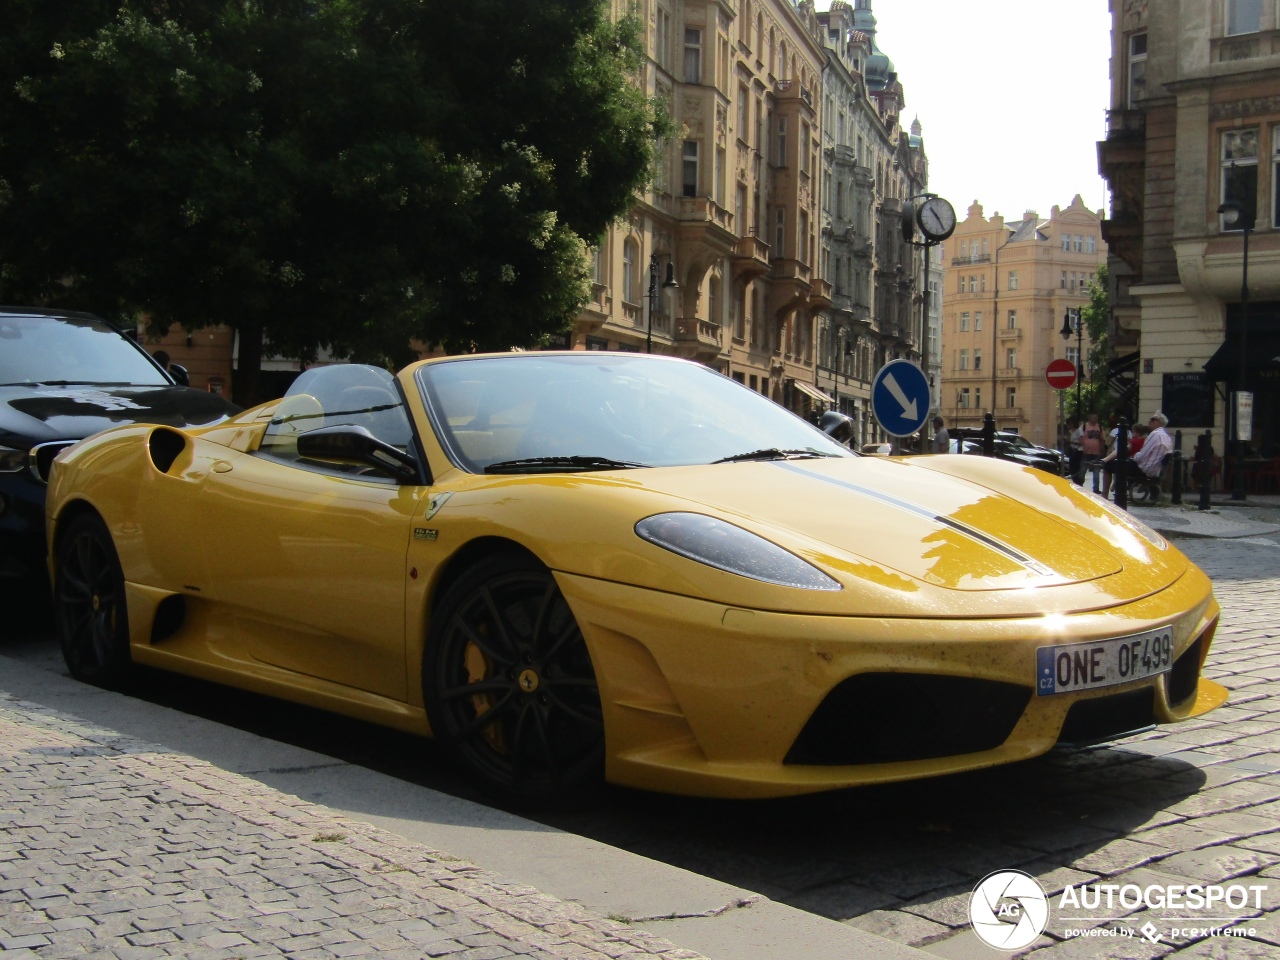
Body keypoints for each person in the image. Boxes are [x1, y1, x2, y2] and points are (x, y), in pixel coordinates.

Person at [1113, 412, 1174, 494]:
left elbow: (1142, 455)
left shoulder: (1155, 434)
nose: (1149, 421)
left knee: (1113, 465)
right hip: (1156, 469)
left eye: (1152, 419)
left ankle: (1108, 494)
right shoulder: (1167, 437)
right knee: (1121, 462)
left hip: (1145, 469)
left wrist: (1134, 457)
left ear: (1159, 422)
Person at [1100, 423, 1147, 498]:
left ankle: (1105, 493)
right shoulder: (1145, 441)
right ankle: (1114, 483)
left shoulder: (1134, 442)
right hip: (1139, 464)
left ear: (1137, 432)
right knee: (1120, 464)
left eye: (1133, 432)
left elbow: (1123, 450)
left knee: (1110, 466)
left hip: (1134, 464)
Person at [1075, 413, 1107, 485]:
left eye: (1096, 417)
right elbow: (1080, 438)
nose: (1096, 419)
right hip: (1086, 453)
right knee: (1082, 470)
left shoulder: (1099, 427)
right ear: (1089, 418)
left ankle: (1096, 488)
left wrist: (1102, 450)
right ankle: (1080, 484)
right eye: (1094, 417)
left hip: (1096, 453)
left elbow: (1101, 439)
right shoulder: (1084, 426)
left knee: (1096, 471)